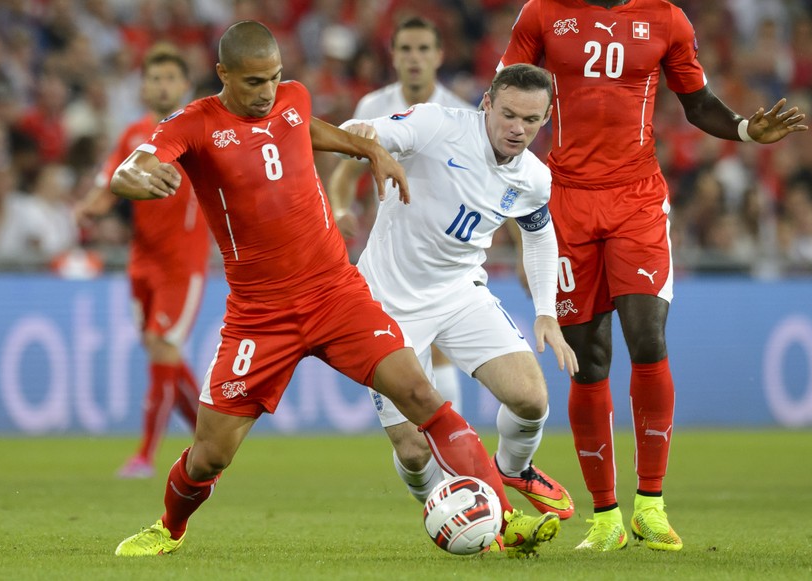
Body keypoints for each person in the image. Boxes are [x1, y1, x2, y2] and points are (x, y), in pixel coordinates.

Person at [111, 20, 558, 559]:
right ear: (222, 74)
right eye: (254, 83)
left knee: (423, 396)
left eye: (275, 78)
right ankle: (169, 527)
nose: (267, 93)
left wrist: (368, 151)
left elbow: (307, 127)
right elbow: (136, 165)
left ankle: (507, 524)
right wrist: (134, 178)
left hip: (336, 293)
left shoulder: (292, 99)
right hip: (260, 314)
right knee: (210, 455)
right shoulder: (196, 122)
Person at [499, 0, 809, 552]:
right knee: (589, 360)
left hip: (636, 200)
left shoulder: (667, 19)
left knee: (648, 337)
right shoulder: (542, 13)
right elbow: (506, 97)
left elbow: (696, 103)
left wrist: (742, 127)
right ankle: (606, 519)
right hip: (566, 200)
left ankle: (650, 505)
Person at [341, 63, 580, 525]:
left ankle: (514, 469)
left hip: (459, 294)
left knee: (531, 398)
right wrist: (362, 132)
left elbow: (539, 234)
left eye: (531, 120)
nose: (517, 129)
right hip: (385, 303)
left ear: (546, 118)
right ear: (486, 103)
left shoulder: (533, 177)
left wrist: (546, 312)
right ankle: (454, 516)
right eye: (508, 114)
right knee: (413, 450)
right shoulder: (437, 125)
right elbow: (368, 133)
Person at [327, 16, 474, 463]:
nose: (415, 58)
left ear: (439, 55)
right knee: (409, 362)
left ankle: (454, 467)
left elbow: (485, 185)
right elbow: (345, 172)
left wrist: (524, 252)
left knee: (441, 357)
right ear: (393, 56)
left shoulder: (460, 111)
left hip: (445, 254)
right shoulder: (374, 104)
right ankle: (435, 465)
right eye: (406, 49)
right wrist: (338, 206)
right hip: (392, 254)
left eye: (423, 49)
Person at [76, 45, 209, 479]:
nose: (162, 85)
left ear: (185, 85)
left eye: (171, 77)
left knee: (162, 345)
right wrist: (90, 207)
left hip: (183, 264)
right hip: (142, 262)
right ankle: (210, 445)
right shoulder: (134, 135)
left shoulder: (195, 132)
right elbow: (106, 181)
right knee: (162, 352)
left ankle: (144, 457)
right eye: (155, 78)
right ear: (144, 86)